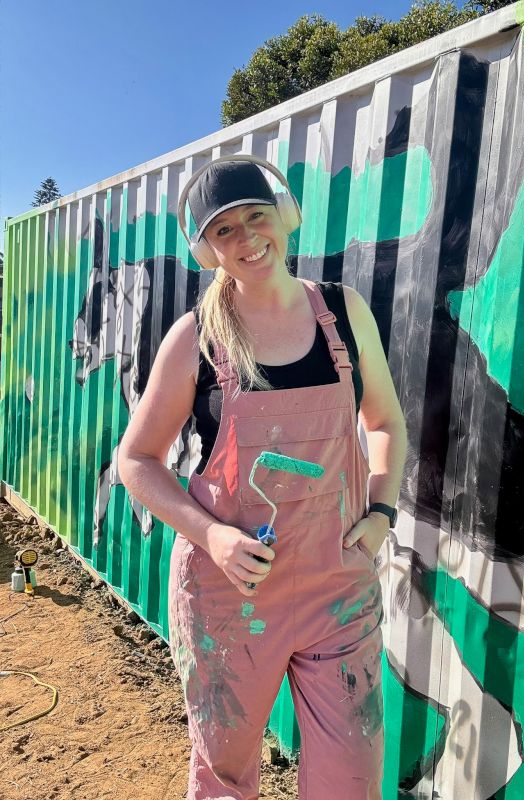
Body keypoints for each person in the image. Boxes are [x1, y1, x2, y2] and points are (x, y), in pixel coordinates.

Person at [117, 156, 407, 800]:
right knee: (224, 778)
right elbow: (134, 461)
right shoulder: (195, 337)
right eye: (224, 231)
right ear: (207, 249)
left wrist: (381, 513)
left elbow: (385, 422)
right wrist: (213, 537)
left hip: (339, 591)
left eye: (257, 217)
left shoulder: (343, 313)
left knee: (350, 778)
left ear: (285, 216)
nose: (248, 240)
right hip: (229, 600)